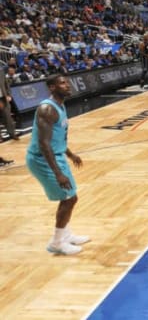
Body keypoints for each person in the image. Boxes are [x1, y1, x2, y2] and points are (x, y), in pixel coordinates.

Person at [26, 75, 89, 255]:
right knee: (69, 198)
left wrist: (70, 154)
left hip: (57, 155)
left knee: (70, 197)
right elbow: (44, 144)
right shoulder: (47, 109)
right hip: (42, 159)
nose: (67, 85)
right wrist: (58, 173)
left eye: (67, 82)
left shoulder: (60, 105)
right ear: (52, 88)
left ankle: (66, 235)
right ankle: (56, 243)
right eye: (62, 83)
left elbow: (57, 136)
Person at [1, 69, 19, 141]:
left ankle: (12, 133)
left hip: (3, 98)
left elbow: (6, 84)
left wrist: (9, 94)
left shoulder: (1, 71)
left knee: (8, 116)